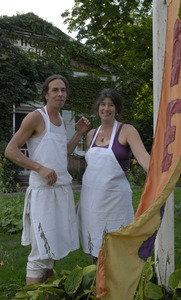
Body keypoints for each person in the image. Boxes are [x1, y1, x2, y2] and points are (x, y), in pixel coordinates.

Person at [4, 74, 90, 284]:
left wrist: (78, 134)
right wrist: (39, 168)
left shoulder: (61, 120)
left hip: (61, 191)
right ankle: (32, 297)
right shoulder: (35, 117)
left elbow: (63, 153)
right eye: (55, 90)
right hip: (42, 193)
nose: (60, 94)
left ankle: (46, 294)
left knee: (53, 250)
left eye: (63, 90)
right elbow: (10, 150)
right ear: (46, 94)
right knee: (40, 253)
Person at [77, 88, 150, 260]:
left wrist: (161, 175)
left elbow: (143, 157)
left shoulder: (127, 131)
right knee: (95, 249)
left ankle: (118, 286)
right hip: (91, 203)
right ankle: (98, 285)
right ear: (98, 107)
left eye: (111, 105)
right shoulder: (90, 135)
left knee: (117, 252)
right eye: (103, 104)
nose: (106, 109)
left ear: (117, 109)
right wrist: (80, 202)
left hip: (115, 202)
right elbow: (92, 172)